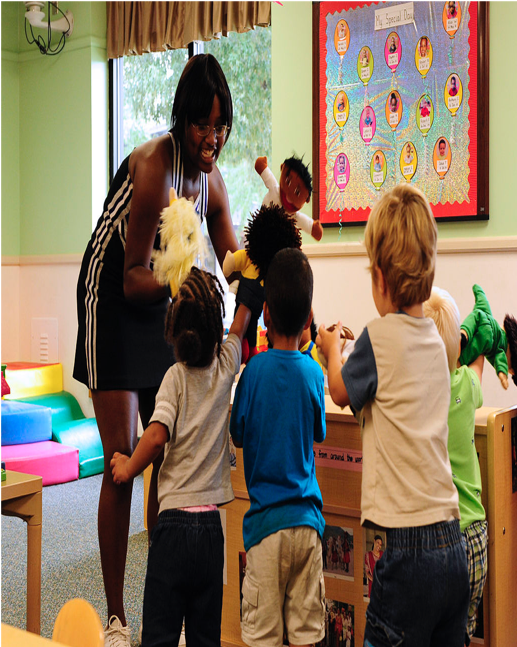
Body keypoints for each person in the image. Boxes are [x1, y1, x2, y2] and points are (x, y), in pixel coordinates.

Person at [73, 53, 239, 645]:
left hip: (163, 301)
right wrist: (186, 280)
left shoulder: (212, 180)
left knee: (166, 452)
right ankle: (117, 617)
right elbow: (131, 276)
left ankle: (157, 599)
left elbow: (233, 261)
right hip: (114, 295)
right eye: (202, 125)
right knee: (122, 458)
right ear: (182, 119)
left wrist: (268, 269)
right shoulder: (152, 167)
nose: (211, 138)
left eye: (221, 126)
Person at [317, 183, 469, 647]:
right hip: (451, 543)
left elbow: (341, 393)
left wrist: (330, 351)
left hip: (406, 555)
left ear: (380, 279)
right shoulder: (439, 344)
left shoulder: (377, 337)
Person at [110, 267, 251, 647]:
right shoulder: (224, 368)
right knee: (205, 635)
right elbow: (239, 327)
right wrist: (252, 286)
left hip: (170, 529)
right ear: (213, 329)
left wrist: (126, 467)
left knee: (159, 633)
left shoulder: (174, 377)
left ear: (173, 330)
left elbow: (155, 437)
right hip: (210, 532)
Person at [230, 248, 327, 647]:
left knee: (262, 635)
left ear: (265, 314)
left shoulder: (252, 373)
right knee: (307, 635)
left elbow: (237, 433)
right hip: (307, 526)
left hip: (265, 530)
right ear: (308, 321)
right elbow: (319, 431)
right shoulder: (313, 372)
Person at [423, 288, 487, 646]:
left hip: (437, 540)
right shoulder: (466, 383)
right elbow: (476, 364)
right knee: (461, 630)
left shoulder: (417, 393)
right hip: (475, 537)